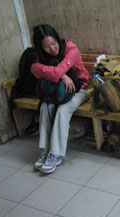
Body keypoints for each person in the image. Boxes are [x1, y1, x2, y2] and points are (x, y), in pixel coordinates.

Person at [31, 24, 90, 174]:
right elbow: (36, 70)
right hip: (58, 91)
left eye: (53, 43)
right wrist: (62, 76)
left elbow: (37, 69)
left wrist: (54, 72)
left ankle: (56, 154)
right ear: (40, 48)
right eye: (46, 47)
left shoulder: (70, 49)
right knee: (45, 106)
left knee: (63, 109)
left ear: (57, 39)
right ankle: (46, 150)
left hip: (80, 89)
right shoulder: (42, 55)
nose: (52, 49)